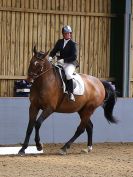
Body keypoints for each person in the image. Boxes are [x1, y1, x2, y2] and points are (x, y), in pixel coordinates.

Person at [49, 25, 78, 101]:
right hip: (61, 63)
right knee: (53, 72)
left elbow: (74, 57)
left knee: (68, 74)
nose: (68, 34)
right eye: (66, 33)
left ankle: (71, 93)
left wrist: (64, 60)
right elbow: (54, 51)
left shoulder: (73, 44)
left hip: (70, 63)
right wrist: (50, 57)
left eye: (69, 33)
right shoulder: (59, 42)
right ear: (63, 34)